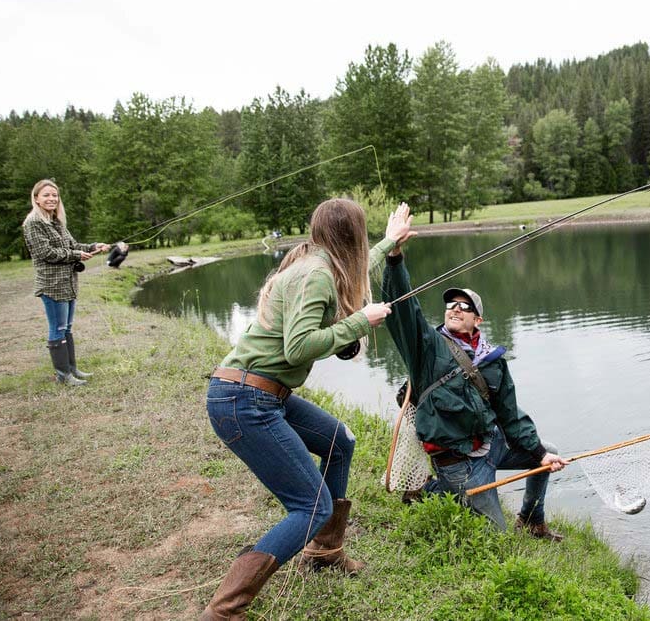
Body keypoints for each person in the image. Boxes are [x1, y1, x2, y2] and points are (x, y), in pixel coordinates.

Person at [199, 199, 414, 620]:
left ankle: (325, 551)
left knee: (339, 440)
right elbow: (297, 346)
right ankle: (224, 611)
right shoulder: (316, 276)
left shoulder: (319, 264)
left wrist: (391, 241)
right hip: (244, 400)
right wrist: (360, 321)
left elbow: (356, 268)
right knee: (310, 506)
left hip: (259, 393)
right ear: (349, 236)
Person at [381, 241, 570, 541]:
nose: (455, 308)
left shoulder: (494, 362)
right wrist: (394, 258)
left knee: (548, 452)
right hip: (459, 463)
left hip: (492, 445)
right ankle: (427, 489)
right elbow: (404, 310)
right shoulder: (426, 349)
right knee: (496, 536)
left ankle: (532, 521)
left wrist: (539, 453)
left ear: (477, 320)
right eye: (450, 304)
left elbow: (510, 417)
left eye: (464, 306)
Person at [22, 180, 110, 386]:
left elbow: (73, 245)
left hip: (68, 283)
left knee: (67, 328)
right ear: (36, 199)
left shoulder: (56, 221)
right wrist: (76, 255)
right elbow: (46, 253)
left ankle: (72, 369)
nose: (51, 198)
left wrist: (93, 246)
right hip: (51, 285)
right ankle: (63, 376)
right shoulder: (33, 223)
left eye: (54, 195)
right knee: (58, 328)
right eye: (46, 195)